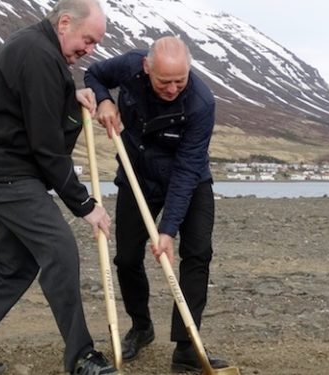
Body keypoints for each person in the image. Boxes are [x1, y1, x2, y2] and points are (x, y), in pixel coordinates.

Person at [0, 1, 119, 374]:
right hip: (3, 171)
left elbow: (39, 111)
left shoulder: (43, 52)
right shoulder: (37, 54)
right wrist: (85, 204)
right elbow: (48, 149)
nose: (90, 50)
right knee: (60, 249)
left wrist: (71, 96)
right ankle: (81, 357)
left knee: (14, 267)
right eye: (88, 39)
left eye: (96, 44)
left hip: (3, 167)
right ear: (65, 22)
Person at [83, 36, 230, 372]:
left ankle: (186, 347)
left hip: (189, 179)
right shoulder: (131, 65)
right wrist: (104, 100)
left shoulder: (201, 102)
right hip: (137, 173)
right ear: (147, 68)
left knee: (198, 254)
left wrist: (167, 230)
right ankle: (141, 327)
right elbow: (93, 74)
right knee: (127, 257)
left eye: (180, 80)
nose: (172, 88)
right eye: (165, 81)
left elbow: (187, 169)